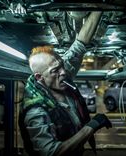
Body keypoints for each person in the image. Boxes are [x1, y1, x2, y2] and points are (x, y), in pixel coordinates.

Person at [18, 11, 112, 156]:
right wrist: (91, 127)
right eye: (56, 70)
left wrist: (99, 8)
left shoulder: (57, 73)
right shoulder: (35, 111)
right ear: (39, 77)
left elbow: (80, 44)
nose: (63, 72)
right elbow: (52, 153)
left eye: (62, 65)